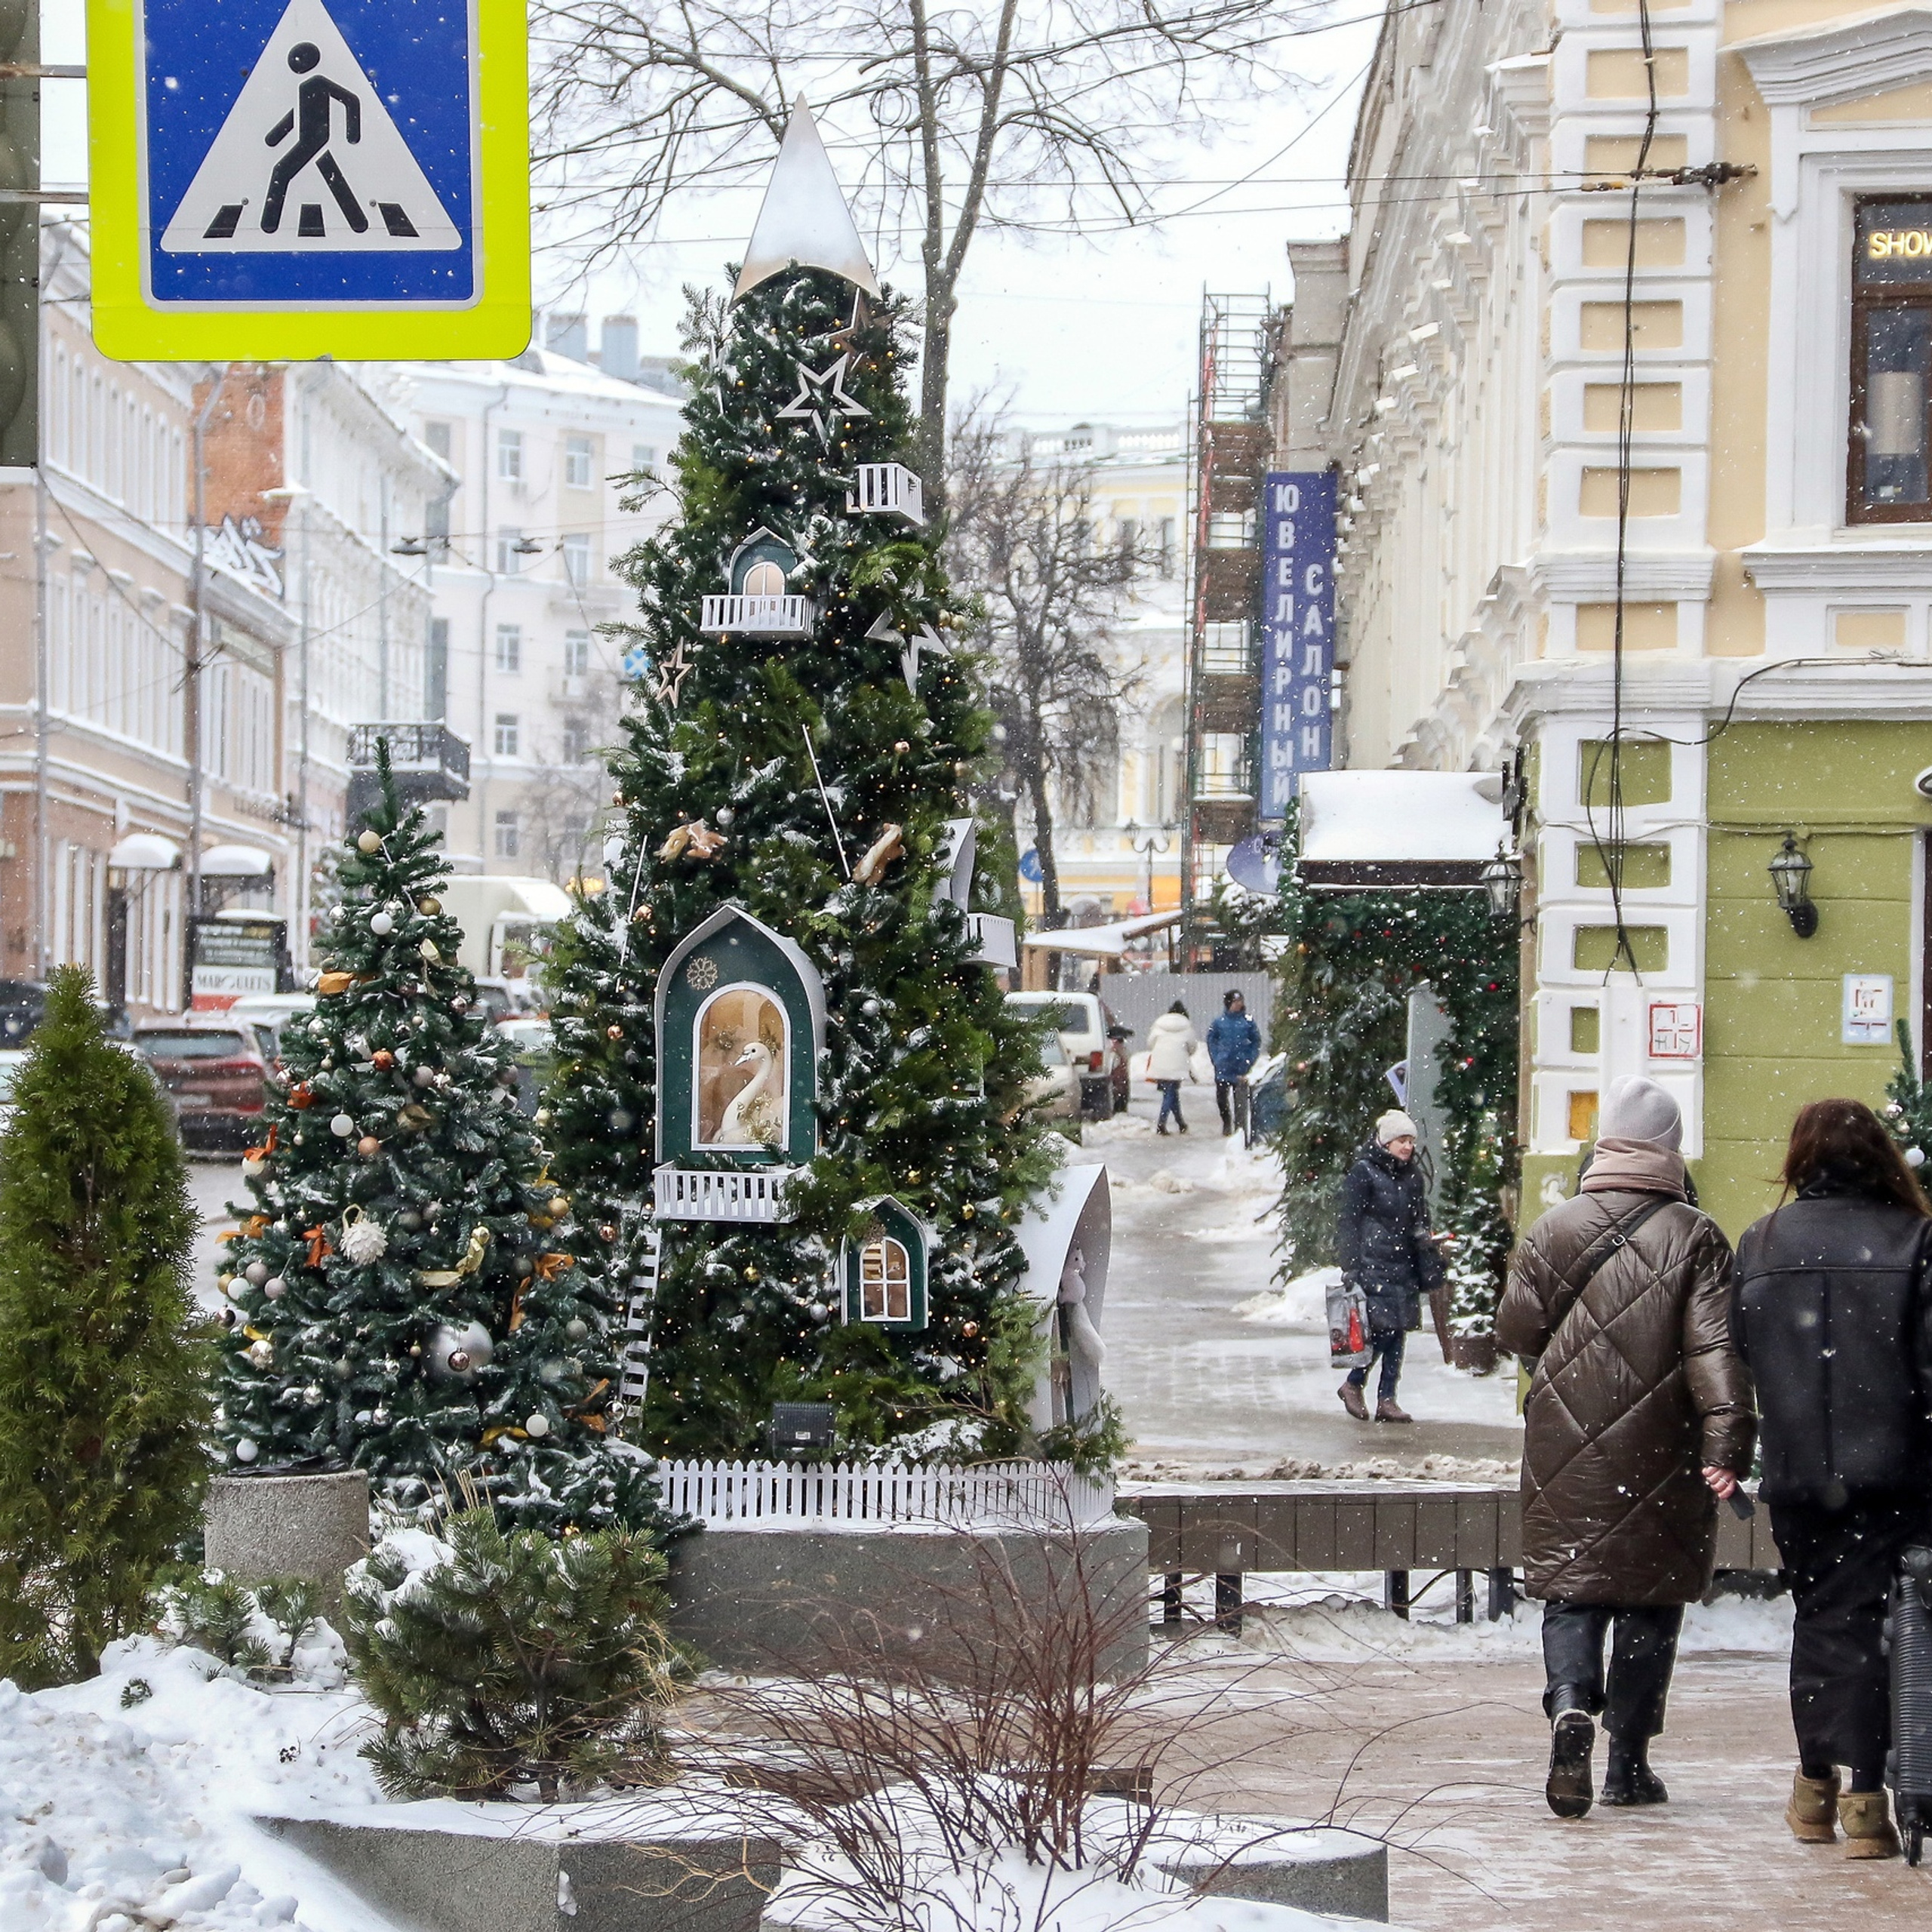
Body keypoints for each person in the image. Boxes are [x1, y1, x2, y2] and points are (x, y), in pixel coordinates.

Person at [1497, 1075, 1754, 1820]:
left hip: (1564, 1439)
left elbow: (1515, 1332)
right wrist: (1727, 1439)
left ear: (1604, 1141)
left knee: (1572, 1589)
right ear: (1672, 1150)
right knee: (1650, 1597)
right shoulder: (1695, 1234)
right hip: (1661, 1444)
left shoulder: (1554, 1226)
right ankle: (1628, 1763)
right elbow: (1714, 1354)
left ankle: (1571, 1702)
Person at [1734, 1098, 1932, 1860]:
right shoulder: (1913, 1240)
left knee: (1820, 1617)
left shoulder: (1762, 1240)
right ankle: (1863, 1799)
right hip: (1893, 1472)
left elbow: (1739, 1350)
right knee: (1882, 1627)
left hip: (1796, 1477)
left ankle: (1815, 1784)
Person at [1336, 1108, 1441, 1424]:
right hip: (1374, 1263)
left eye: (1410, 1140)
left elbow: (1419, 1217)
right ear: (1386, 1142)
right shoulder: (1364, 1173)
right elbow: (1349, 1222)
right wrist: (1351, 1265)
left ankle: (1387, 1398)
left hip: (1404, 1262)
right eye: (1401, 1140)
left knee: (1399, 1332)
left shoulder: (1413, 1176)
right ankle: (1355, 1383)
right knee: (1383, 1330)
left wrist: (1427, 1242)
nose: (1407, 1147)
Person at [1206, 990, 1263, 1142]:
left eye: (1241, 1001)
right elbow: (1211, 1040)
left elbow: (1256, 1041)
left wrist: (1250, 1059)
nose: (1239, 1004)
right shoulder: (1219, 1022)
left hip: (1241, 1068)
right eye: (1236, 1001)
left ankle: (1240, 1130)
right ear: (1229, 1003)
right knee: (1222, 1099)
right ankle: (1226, 1123)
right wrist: (1216, 1058)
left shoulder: (1248, 1022)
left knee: (1241, 1101)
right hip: (1223, 1067)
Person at [1145, 1000, 1196, 1136]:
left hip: (1160, 1063)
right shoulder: (1187, 1026)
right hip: (1177, 1064)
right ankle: (1162, 1123)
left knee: (1171, 1093)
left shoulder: (1159, 1024)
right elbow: (1192, 1047)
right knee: (1171, 1093)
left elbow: (1150, 1043)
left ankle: (1181, 1123)